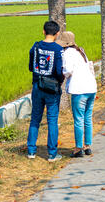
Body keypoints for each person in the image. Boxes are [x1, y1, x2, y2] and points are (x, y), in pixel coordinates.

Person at [27, 21, 64, 162]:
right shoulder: (58, 49)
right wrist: (59, 81)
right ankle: (52, 154)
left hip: (37, 85)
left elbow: (31, 66)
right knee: (52, 120)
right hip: (52, 88)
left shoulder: (35, 46)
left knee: (35, 118)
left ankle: (31, 151)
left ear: (43, 31)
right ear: (57, 33)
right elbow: (59, 70)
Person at [57, 31, 97, 158]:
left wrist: (62, 73)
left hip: (79, 89)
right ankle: (87, 146)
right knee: (87, 117)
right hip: (91, 87)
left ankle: (78, 148)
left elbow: (68, 70)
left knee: (78, 118)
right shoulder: (80, 51)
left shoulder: (67, 53)